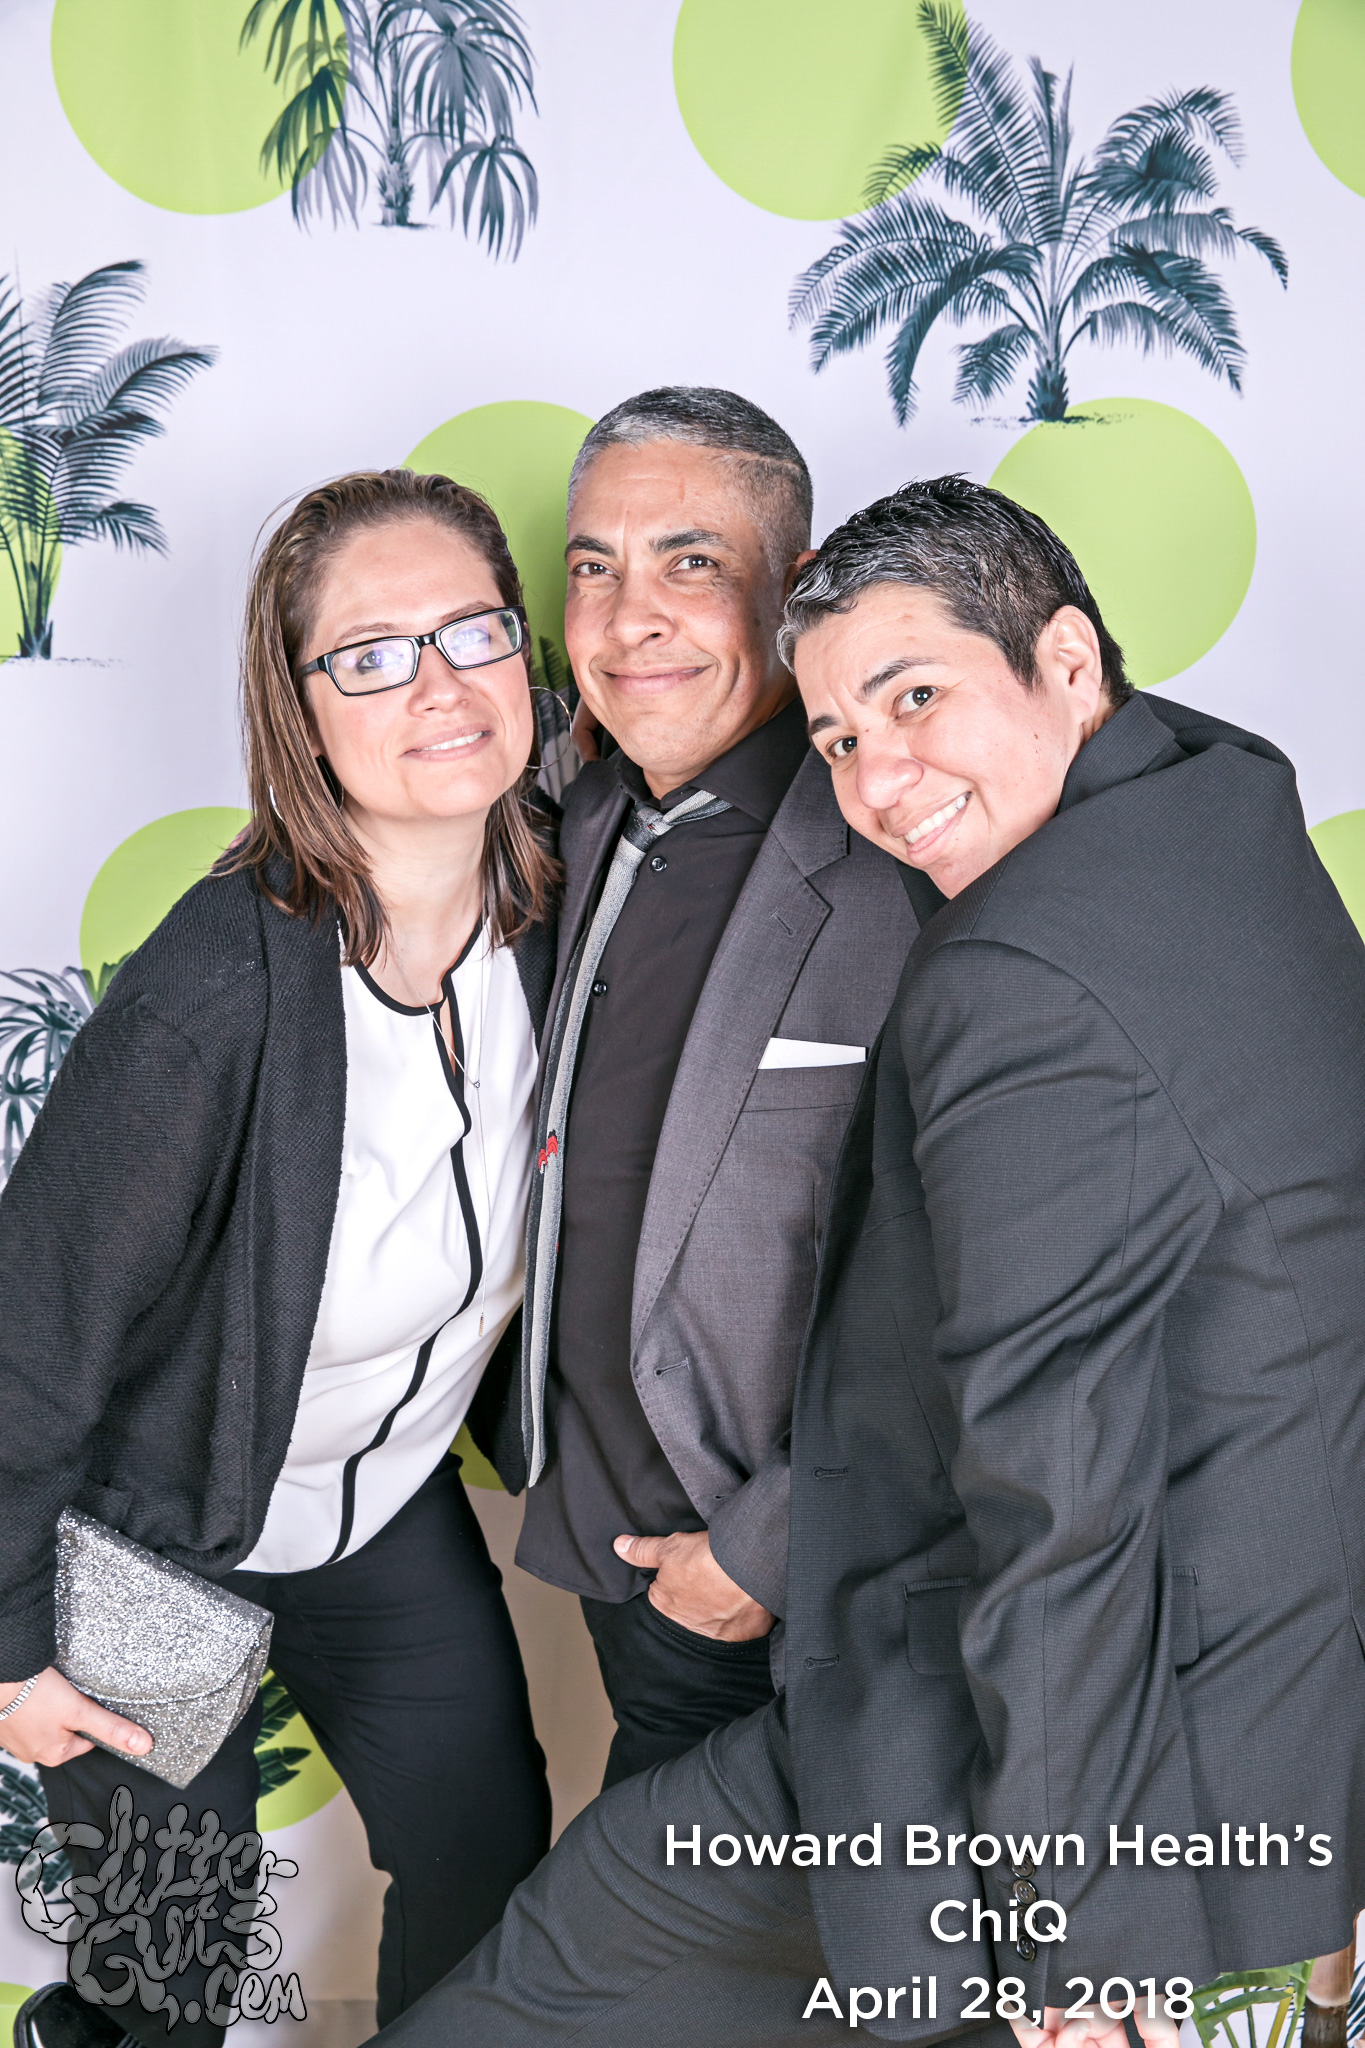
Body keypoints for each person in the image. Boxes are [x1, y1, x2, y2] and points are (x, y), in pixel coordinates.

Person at [362, 476, 1365, 2048]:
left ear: (1068, 659)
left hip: (1072, 1758)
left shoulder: (1021, 978)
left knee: (542, 1988)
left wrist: (1079, 1939)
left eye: (913, 699)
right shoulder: (1218, 805)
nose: (877, 785)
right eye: (833, 737)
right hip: (1269, 1686)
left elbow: (1060, 1489)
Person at [0, 470, 558, 2048]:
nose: (437, 685)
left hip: (379, 1500)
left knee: (488, 1864)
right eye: (370, 657)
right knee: (170, 1972)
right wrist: (10, 1654)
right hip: (158, 1533)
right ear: (299, 712)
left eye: (471, 631)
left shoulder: (564, 910)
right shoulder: (216, 993)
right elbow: (28, 1333)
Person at [510, 387, 918, 1785]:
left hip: (792, 1574)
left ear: (792, 591)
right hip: (606, 1538)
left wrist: (769, 1543)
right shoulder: (582, 806)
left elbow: (991, 1263)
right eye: (594, 567)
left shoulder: (904, 845)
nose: (630, 619)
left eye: (690, 562)